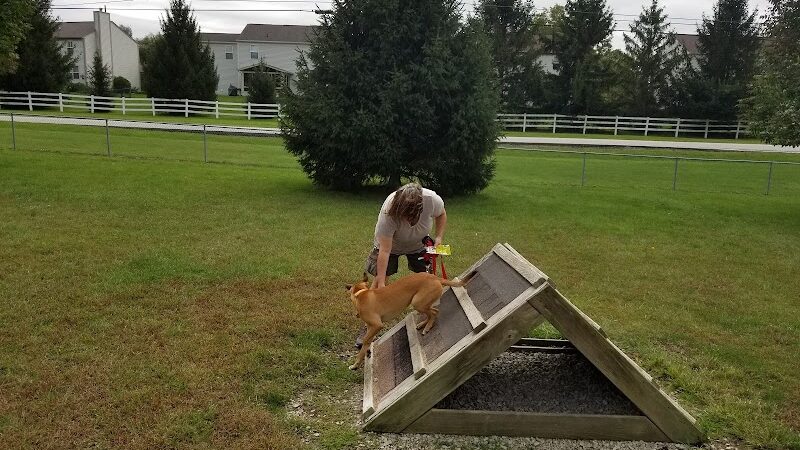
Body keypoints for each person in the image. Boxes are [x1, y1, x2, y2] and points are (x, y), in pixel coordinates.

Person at [356, 182, 447, 348]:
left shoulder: (431, 199)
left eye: (411, 217)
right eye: (404, 216)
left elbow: (441, 214)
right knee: (377, 285)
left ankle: (427, 315)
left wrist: (439, 238)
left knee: (429, 281)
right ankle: (367, 327)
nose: (407, 221)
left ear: (420, 207)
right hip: (390, 245)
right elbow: (384, 251)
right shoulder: (388, 212)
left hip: (419, 244)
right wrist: (382, 283)